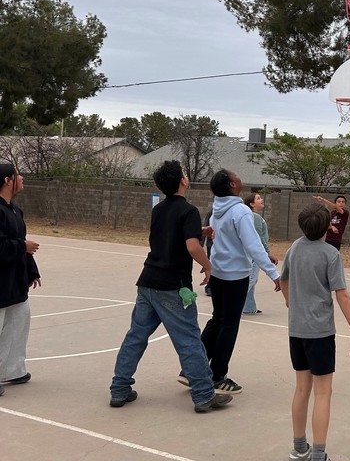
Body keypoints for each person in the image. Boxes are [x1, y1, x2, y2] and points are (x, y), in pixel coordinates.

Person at [109, 160, 233, 413]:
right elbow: (191, 246)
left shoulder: (159, 209)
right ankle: (203, 395)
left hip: (147, 282)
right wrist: (208, 265)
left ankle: (119, 388)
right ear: (182, 181)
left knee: (136, 336)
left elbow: (172, 234)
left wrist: (199, 231)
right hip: (173, 288)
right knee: (188, 340)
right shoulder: (188, 210)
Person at [281, 202, 350, 461]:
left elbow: (284, 280)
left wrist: (291, 304)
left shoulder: (294, 248)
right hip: (319, 333)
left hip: (297, 330)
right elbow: (342, 295)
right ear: (328, 225)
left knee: (301, 388)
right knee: (323, 393)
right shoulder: (330, 254)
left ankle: (298, 449)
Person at [200, 169, 280, 393]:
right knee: (228, 325)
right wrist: (274, 274)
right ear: (232, 185)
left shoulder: (218, 208)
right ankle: (217, 375)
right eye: (235, 176)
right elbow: (253, 245)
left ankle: (192, 369)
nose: (239, 177)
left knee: (217, 319)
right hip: (235, 276)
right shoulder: (241, 211)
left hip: (218, 273)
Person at [0, 164, 41, 393]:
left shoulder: (15, 210)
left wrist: (32, 271)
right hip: (1, 282)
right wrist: (21, 246)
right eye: (18, 175)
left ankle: (12, 370)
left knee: (19, 322)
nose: (22, 178)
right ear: (7, 180)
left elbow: (22, 243)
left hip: (15, 281)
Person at [242, 191, 277, 315]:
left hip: (255, 253)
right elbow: (259, 238)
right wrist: (268, 253)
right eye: (258, 198)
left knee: (251, 280)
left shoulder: (254, 216)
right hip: (255, 254)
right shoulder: (254, 217)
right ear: (251, 203)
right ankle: (234, 305)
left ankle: (248, 307)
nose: (261, 199)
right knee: (251, 279)